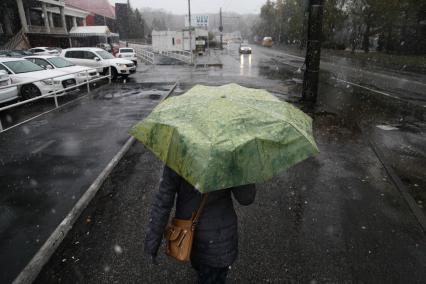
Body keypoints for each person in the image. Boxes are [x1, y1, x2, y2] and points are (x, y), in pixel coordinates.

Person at [144, 166, 256, 284]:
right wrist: (240, 167)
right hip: (220, 240)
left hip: (189, 236)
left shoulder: (179, 152)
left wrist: (152, 242)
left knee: (203, 270)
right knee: (213, 276)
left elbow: (163, 201)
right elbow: (246, 198)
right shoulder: (228, 155)